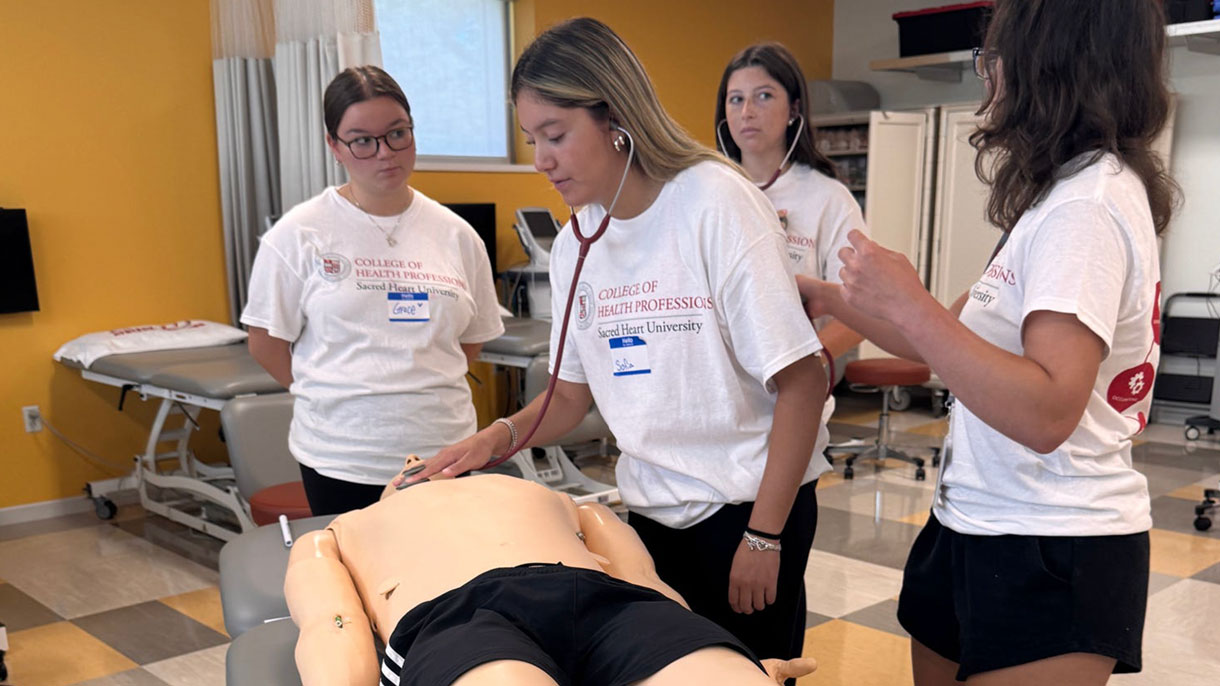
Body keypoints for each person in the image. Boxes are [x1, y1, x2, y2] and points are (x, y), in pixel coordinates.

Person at [397, 17, 830, 665]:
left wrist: (764, 538)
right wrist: (494, 438)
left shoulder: (717, 206)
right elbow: (568, 400)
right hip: (654, 516)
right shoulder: (575, 245)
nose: (541, 159)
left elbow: (803, 382)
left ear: (616, 118)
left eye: (555, 135)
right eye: (530, 138)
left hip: (748, 507)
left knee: (748, 673)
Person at [797, 0, 1177, 683]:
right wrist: (828, 296)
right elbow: (945, 345)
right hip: (973, 518)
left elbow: (1046, 412)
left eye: (995, 60)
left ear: (1047, 66)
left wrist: (910, 304)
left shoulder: (1085, 207)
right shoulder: (1055, 198)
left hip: (1052, 540)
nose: (987, 79)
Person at [286, 462, 818, 685]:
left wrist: (708, 646)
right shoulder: (343, 528)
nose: (419, 461)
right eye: (408, 467)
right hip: (455, 613)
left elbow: (644, 583)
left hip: (602, 599)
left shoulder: (550, 495)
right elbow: (331, 622)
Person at [242, 66, 504, 516]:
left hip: (445, 451)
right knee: (363, 583)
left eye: (397, 133)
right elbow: (266, 342)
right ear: (334, 146)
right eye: (363, 140)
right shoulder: (299, 234)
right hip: (342, 456)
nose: (385, 153)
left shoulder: (457, 235)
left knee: (450, 580)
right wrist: (332, 393)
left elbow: (470, 339)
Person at [715, 42, 867, 383]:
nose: (747, 112)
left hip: (793, 398)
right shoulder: (706, 193)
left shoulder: (827, 198)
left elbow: (861, 310)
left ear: (794, 109)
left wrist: (807, 368)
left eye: (764, 96)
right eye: (736, 99)